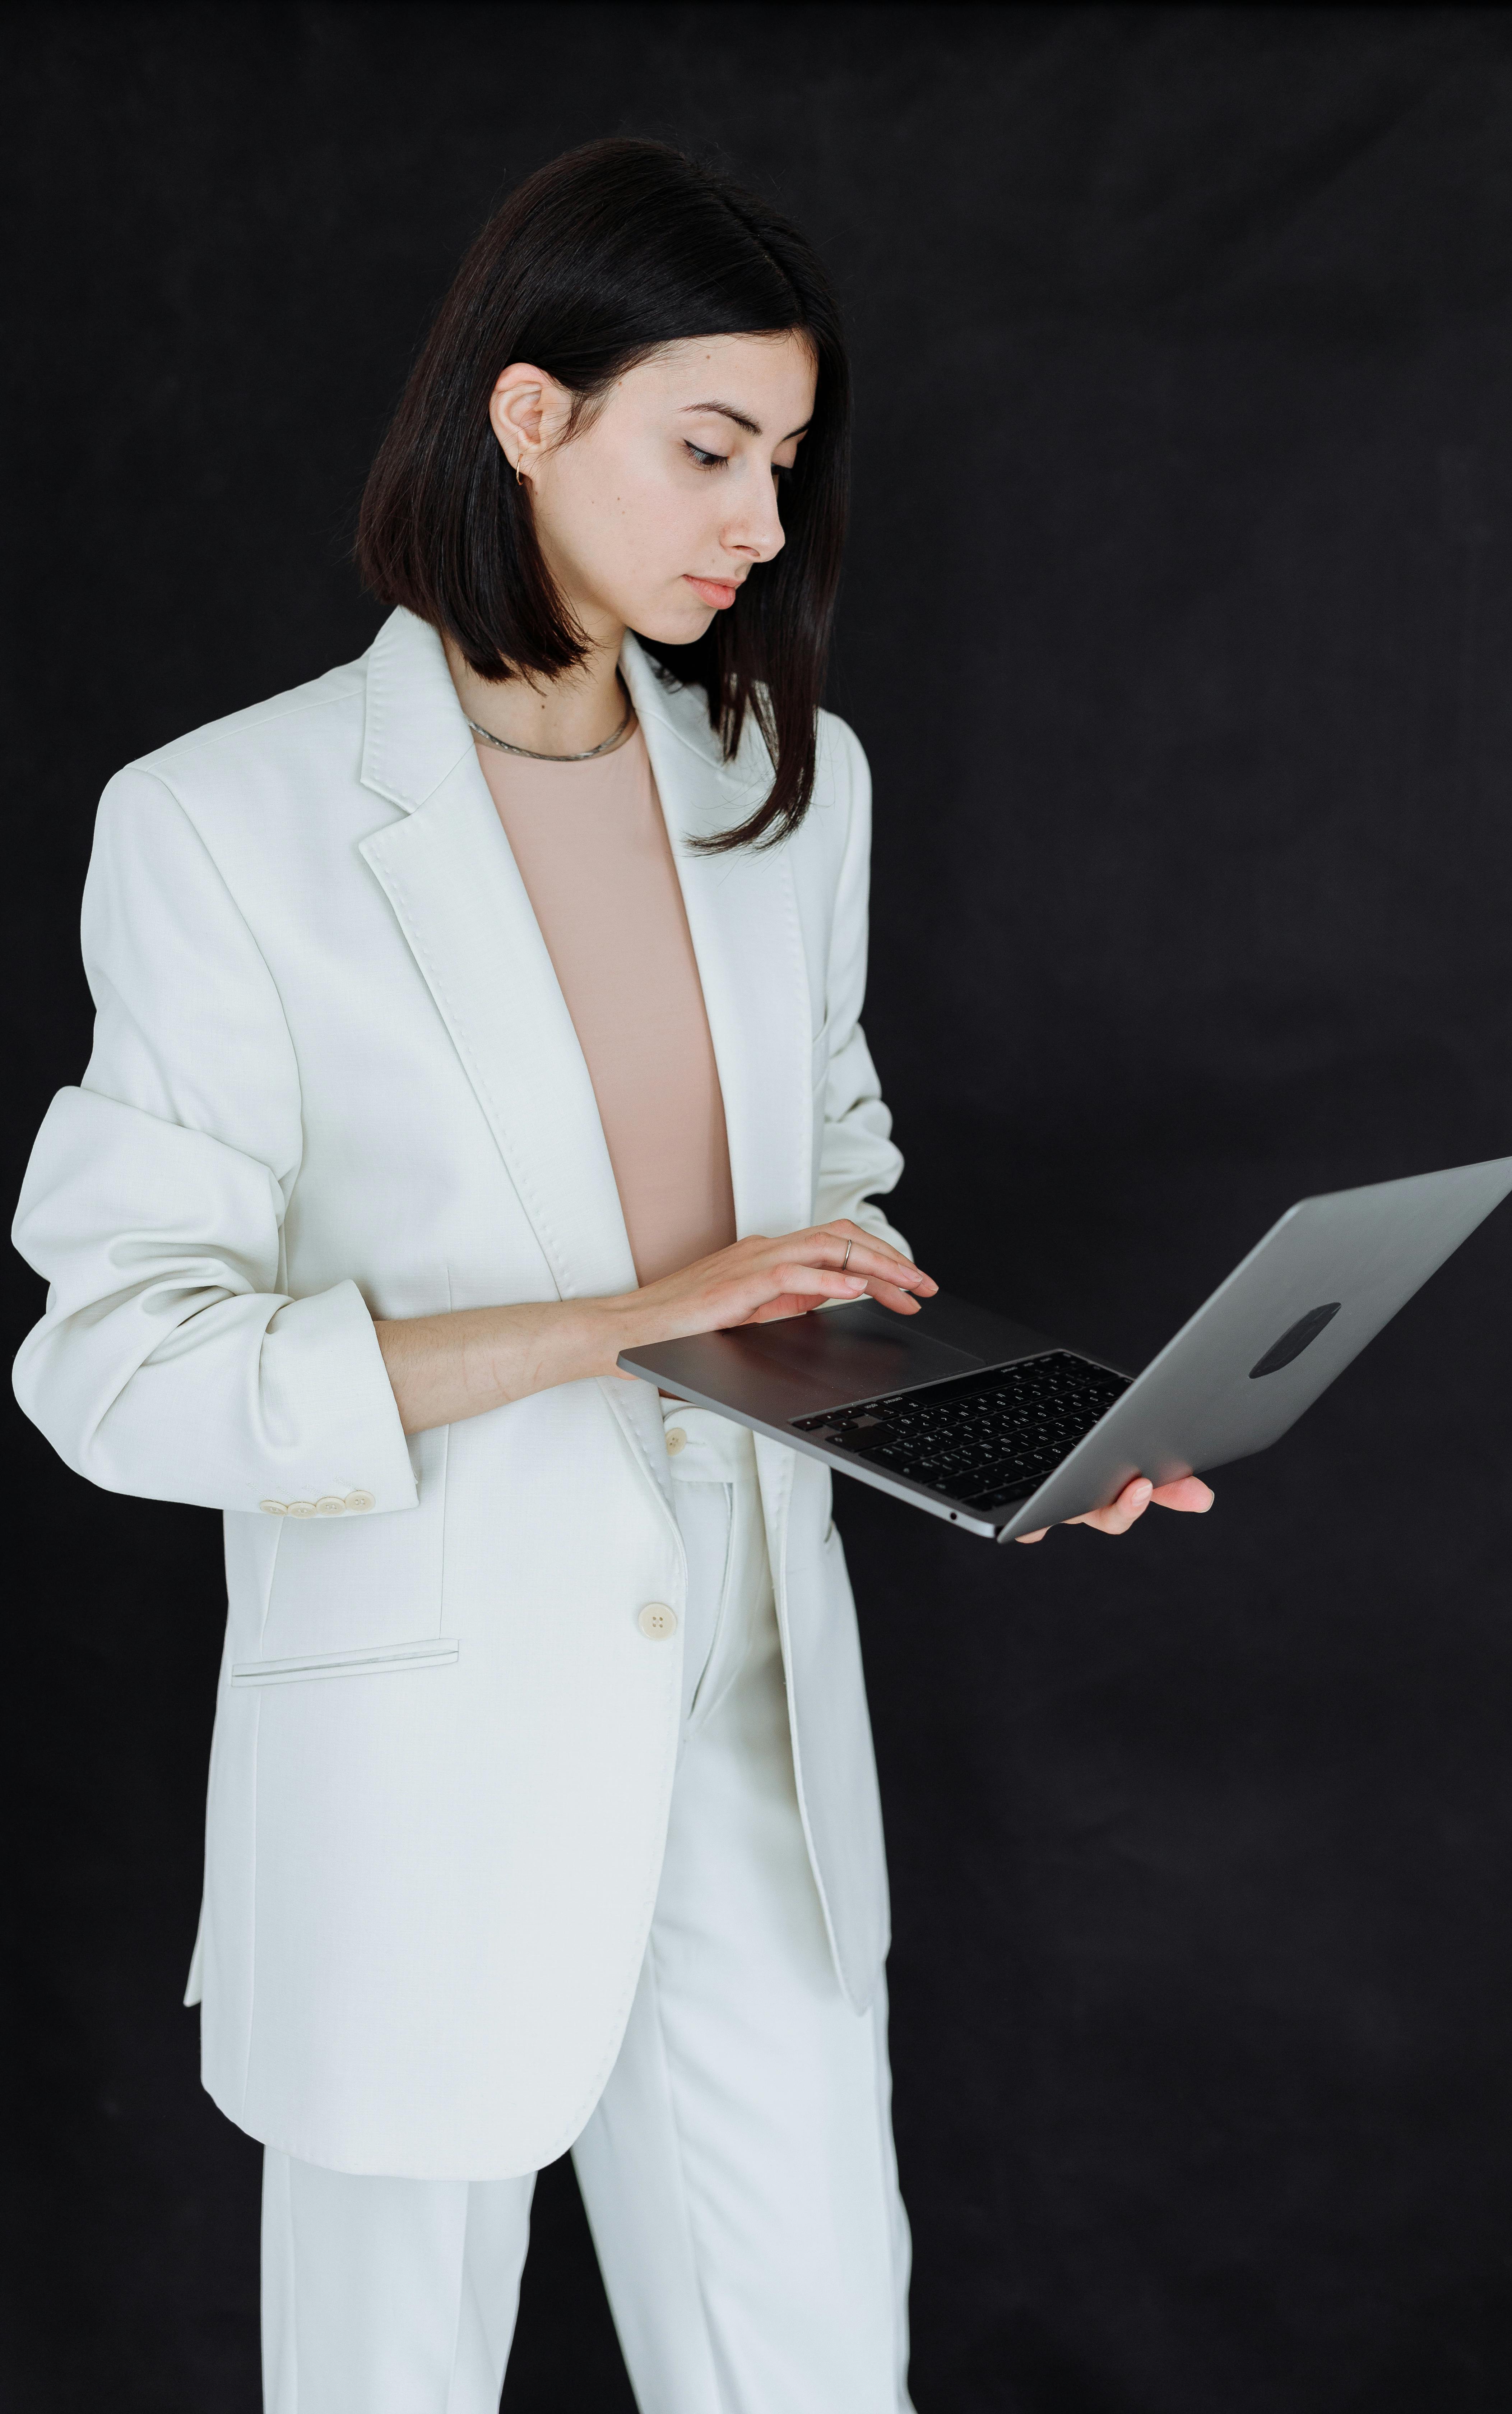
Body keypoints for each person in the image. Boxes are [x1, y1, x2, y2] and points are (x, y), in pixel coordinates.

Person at [11, 139, 1210, 2414]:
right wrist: (622, 1325)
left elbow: (818, 1208)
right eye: (707, 448)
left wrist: (1006, 1426)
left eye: (783, 457)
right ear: (530, 416)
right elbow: (120, 1369)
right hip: (421, 1771)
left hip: (758, 1740)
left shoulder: (794, 783)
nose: (761, 519)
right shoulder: (221, 827)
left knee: (819, 2373)